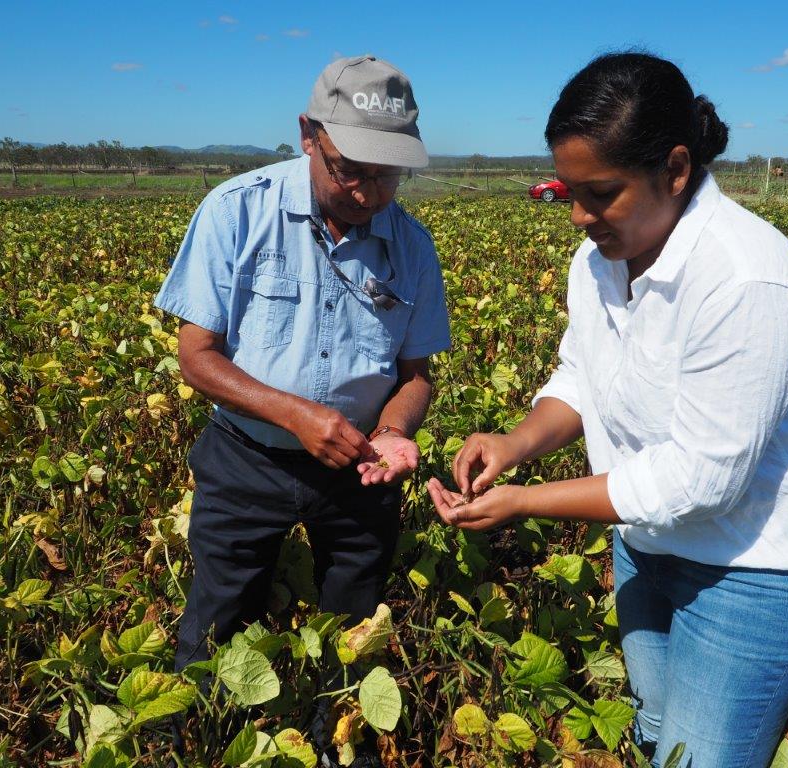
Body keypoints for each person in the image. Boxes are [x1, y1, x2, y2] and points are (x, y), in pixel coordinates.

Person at [427, 52, 788, 767]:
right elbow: (582, 378)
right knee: (658, 729)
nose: (576, 215)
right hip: (646, 545)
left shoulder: (747, 280)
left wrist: (525, 502)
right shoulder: (597, 263)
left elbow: (699, 480)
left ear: (677, 170)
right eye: (567, 190)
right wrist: (515, 443)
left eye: (600, 193)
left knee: (698, 759)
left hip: (756, 573)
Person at [155, 55, 450, 760]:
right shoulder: (236, 210)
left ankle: (340, 745)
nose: (368, 191)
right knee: (221, 616)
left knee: (356, 625)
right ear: (308, 135)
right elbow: (196, 357)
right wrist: (294, 415)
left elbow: (418, 376)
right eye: (352, 168)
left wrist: (394, 429)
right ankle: (196, 742)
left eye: (387, 174)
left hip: (361, 470)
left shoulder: (411, 245)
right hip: (245, 457)